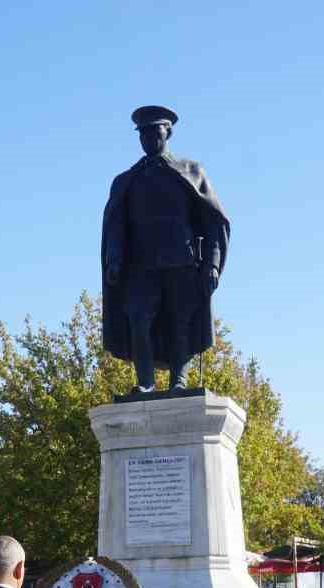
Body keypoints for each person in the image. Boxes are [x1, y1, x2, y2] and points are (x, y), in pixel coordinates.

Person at [102, 105, 230, 400]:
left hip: (181, 261)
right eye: (142, 133)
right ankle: (145, 382)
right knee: (138, 319)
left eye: (154, 131)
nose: (147, 138)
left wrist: (211, 265)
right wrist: (113, 258)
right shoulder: (127, 180)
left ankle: (179, 382)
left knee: (179, 322)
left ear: (167, 131)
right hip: (139, 265)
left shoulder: (190, 171)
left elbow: (214, 221)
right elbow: (116, 224)